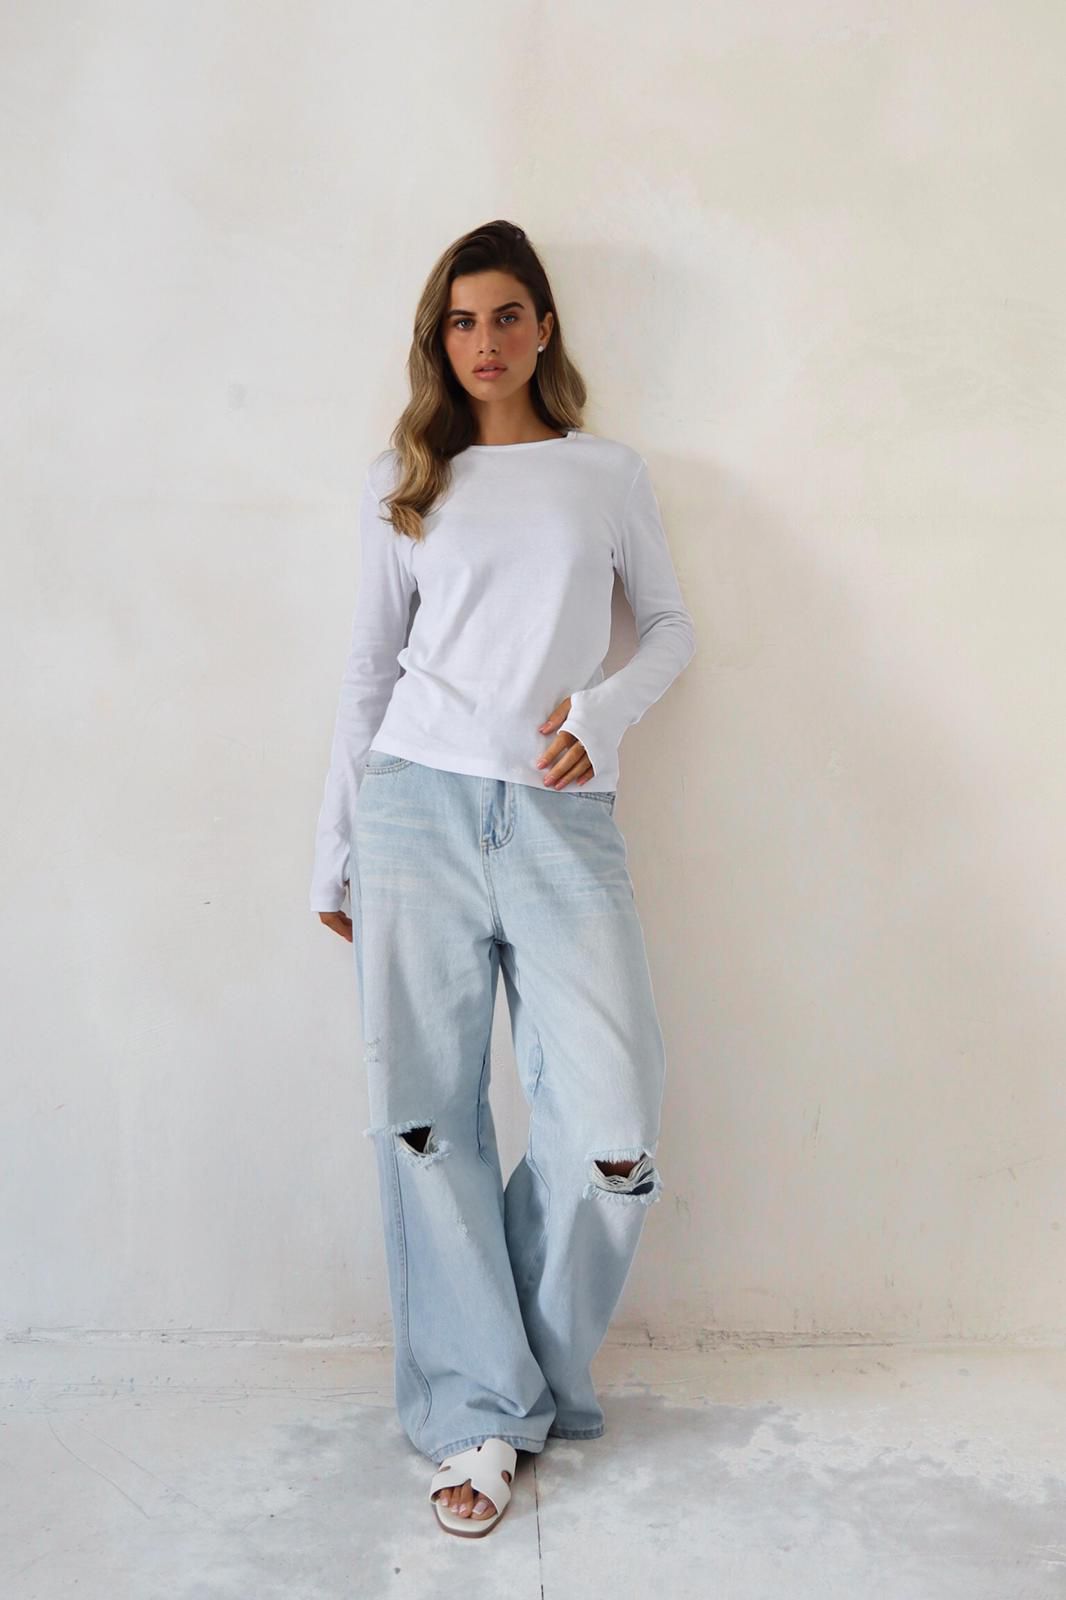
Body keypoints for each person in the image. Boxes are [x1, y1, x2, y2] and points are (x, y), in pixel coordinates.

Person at [309, 219, 696, 1538]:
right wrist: (334, 845)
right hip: (412, 810)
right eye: (462, 321)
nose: (485, 341)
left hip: (560, 819)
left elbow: (671, 626)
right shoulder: (406, 478)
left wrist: (601, 710)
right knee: (425, 1123)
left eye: (507, 315)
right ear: (441, 338)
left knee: (612, 1130)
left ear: (543, 327)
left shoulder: (605, 474)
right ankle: (477, 1414)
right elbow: (369, 674)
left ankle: (510, 1379)